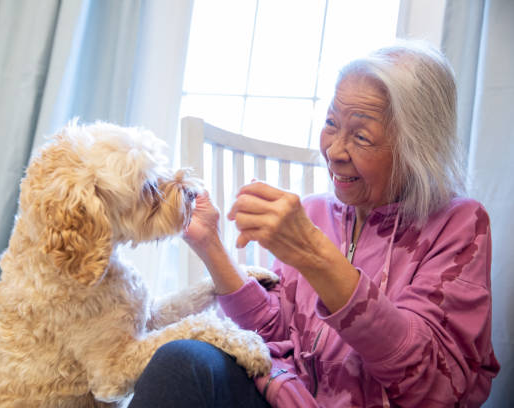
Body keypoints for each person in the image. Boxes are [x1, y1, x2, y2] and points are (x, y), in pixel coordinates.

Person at [128, 41, 500, 407]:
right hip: (286, 397)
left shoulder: (459, 224)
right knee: (182, 363)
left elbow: (434, 385)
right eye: (331, 124)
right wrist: (210, 244)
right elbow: (272, 333)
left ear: (417, 148)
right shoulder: (317, 211)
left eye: (361, 136)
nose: (335, 151)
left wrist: (315, 255)